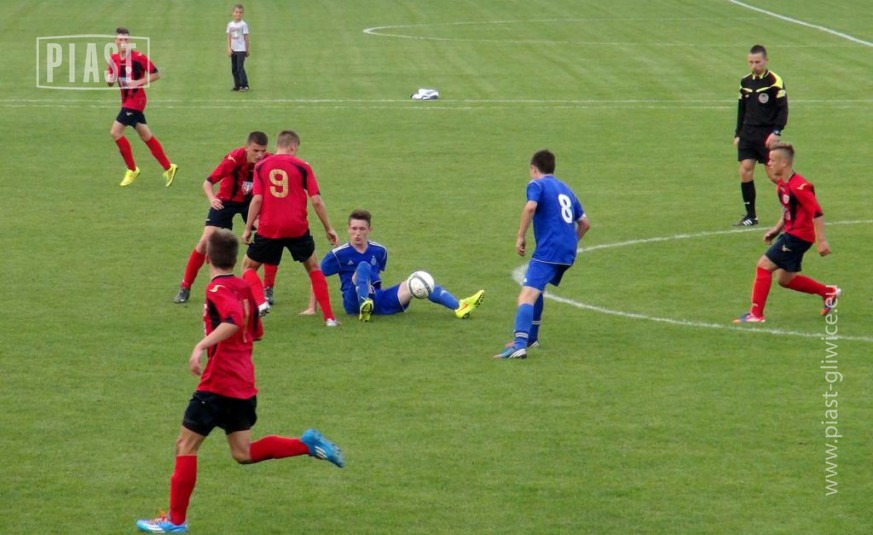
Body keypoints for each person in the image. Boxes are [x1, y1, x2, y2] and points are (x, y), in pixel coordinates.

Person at [135, 229, 344, 534]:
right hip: (243, 384)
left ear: (208, 259)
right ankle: (306, 445)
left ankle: (175, 522)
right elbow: (256, 332)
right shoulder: (244, 286)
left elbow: (233, 320)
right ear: (234, 259)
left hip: (218, 383)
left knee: (185, 445)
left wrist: (202, 345)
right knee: (243, 453)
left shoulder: (217, 289)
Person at [495, 149, 589, 360]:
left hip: (549, 250)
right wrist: (570, 243)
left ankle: (519, 345)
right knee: (536, 290)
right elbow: (585, 223)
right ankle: (531, 338)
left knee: (526, 296)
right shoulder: (566, 189)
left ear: (533, 168)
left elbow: (530, 208)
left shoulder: (536, 184)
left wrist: (520, 236)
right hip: (566, 251)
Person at [241, 130, 339, 326]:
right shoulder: (303, 166)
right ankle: (329, 318)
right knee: (313, 268)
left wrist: (248, 227)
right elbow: (317, 201)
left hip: (270, 228)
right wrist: (329, 228)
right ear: (293, 146)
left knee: (248, 268)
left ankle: (261, 302)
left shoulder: (260, 166)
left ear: (278, 145)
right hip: (297, 228)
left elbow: (257, 199)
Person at [733, 143, 840, 323]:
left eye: (772, 160)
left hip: (798, 237)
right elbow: (788, 211)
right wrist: (775, 230)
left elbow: (817, 213)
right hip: (791, 234)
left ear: (784, 163)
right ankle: (828, 292)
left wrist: (822, 241)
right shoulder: (782, 184)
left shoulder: (800, 187)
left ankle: (756, 315)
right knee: (785, 279)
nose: (769, 163)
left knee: (763, 266)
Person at [172, 131, 279, 304]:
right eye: (255, 150)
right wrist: (212, 199)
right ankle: (185, 287)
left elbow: (284, 163)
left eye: (263, 151)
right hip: (226, 201)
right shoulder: (234, 159)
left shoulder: (268, 159)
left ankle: (268, 289)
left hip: (250, 203)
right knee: (205, 241)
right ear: (247, 148)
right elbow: (208, 182)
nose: (259, 155)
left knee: (270, 238)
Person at [321, 209, 485, 322]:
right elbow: (318, 276)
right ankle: (364, 304)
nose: (357, 233)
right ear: (348, 229)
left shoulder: (379, 250)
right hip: (352, 303)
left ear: (369, 229)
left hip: (378, 299)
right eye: (354, 228)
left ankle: (459, 306)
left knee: (418, 280)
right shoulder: (338, 254)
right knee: (363, 266)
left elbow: (376, 277)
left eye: (362, 229)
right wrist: (312, 307)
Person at [105, 27, 178, 187]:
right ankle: (168, 167)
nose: (123, 42)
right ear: (115, 41)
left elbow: (156, 74)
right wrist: (109, 80)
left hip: (136, 100)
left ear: (129, 41)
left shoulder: (138, 57)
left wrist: (139, 82)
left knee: (115, 132)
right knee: (146, 136)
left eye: (126, 40)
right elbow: (110, 81)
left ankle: (132, 169)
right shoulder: (113, 59)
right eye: (120, 40)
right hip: (126, 101)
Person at [733, 44, 788, 227]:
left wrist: (776, 131)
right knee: (745, 169)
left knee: (774, 176)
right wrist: (738, 133)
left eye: (757, 62)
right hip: (748, 133)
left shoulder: (774, 81)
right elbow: (741, 109)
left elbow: (783, 109)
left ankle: (794, 208)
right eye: (751, 62)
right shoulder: (745, 82)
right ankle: (751, 216)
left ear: (766, 61)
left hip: (766, 135)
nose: (754, 66)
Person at [226, 4, 250, 92]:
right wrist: (229, 48)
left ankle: (244, 85)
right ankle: (237, 85)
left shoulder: (243, 25)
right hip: (233, 49)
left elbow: (246, 37)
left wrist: (247, 49)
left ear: (242, 14)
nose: (238, 14)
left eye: (240, 12)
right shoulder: (230, 25)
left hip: (241, 49)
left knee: (240, 67)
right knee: (234, 68)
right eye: (236, 12)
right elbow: (229, 36)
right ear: (233, 13)